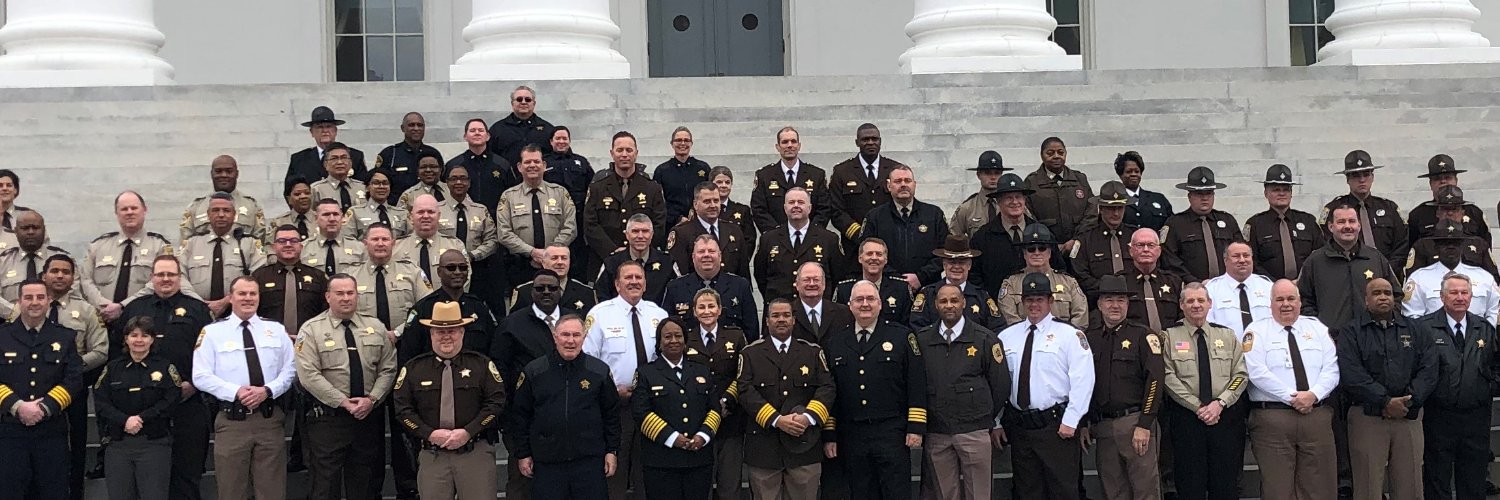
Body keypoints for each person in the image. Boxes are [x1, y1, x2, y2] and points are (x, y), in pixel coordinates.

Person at [116, 255, 214, 500]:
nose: (166, 279)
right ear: (152, 278)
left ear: (180, 278)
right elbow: (118, 355)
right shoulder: (135, 309)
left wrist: (194, 383)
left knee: (187, 473)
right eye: (160, 274)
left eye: (171, 274)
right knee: (148, 481)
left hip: (187, 402)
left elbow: (211, 353)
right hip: (145, 407)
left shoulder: (197, 309)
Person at [191, 276, 297, 500]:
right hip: (232, 421)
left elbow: (290, 370)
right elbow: (200, 376)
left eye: (252, 293)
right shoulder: (212, 333)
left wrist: (267, 390)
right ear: (231, 298)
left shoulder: (276, 330)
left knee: (272, 492)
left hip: (269, 419)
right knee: (232, 491)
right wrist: (236, 391)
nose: (248, 298)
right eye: (242, 293)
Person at [293, 273, 398, 500]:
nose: (346, 298)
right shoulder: (311, 330)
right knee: (325, 485)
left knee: (365, 484)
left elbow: (388, 369)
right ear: (328, 296)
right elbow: (308, 375)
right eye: (339, 293)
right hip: (328, 419)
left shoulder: (376, 327)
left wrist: (372, 399)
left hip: (367, 417)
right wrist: (342, 402)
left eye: (350, 293)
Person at [822, 280, 926, 500]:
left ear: (880, 304)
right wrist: (830, 432)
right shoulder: (836, 342)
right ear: (849, 305)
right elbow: (831, 393)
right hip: (853, 434)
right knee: (861, 492)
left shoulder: (902, 337)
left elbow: (916, 382)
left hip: (891, 432)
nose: (865, 304)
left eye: (870, 299)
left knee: (896, 493)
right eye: (859, 299)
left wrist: (915, 426)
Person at [996, 272, 1095, 500]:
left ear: (1051, 301)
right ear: (1022, 302)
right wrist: (997, 421)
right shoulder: (1006, 337)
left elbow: (1083, 380)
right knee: (1027, 492)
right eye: (1029, 299)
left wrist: (1071, 420)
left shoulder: (1070, 335)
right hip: (1020, 427)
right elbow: (1000, 383)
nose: (1034, 305)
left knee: (1062, 491)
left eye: (1039, 299)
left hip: (1056, 427)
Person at [393, 301, 507, 500]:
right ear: (431, 334)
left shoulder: (481, 365)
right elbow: (402, 409)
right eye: (440, 331)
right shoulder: (414, 369)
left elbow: (496, 403)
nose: (446, 336)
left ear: (462, 333)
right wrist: (429, 433)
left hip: (474, 452)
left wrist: (468, 431)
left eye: (452, 331)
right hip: (433, 454)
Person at [350, 222, 432, 499]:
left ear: (394, 242)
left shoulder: (411, 273)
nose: (380, 244)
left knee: (405, 428)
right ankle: (370, 491)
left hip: (405, 357)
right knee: (368, 435)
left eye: (385, 239)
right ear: (365, 243)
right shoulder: (352, 276)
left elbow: (424, 308)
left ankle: (408, 488)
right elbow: (346, 311)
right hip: (367, 360)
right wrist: (375, 334)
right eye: (375, 239)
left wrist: (398, 332)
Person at [1338, 277, 1436, 500]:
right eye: (1376, 293)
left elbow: (1429, 369)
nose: (1383, 297)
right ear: (1366, 299)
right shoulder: (1352, 331)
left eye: (1387, 293)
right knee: (1368, 486)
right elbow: (1351, 374)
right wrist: (1384, 401)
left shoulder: (1416, 329)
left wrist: (1409, 400)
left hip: (1408, 416)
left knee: (1410, 485)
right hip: (1368, 417)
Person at [1243, 279, 1341, 499]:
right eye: (1279, 299)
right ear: (1270, 304)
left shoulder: (1316, 328)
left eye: (1291, 299)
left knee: (1320, 487)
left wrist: (1313, 395)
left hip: (1315, 415)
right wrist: (1293, 397)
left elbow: (1332, 368)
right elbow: (1256, 371)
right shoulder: (1256, 331)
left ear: (1299, 302)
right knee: (1277, 489)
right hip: (1273, 418)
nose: (1286, 304)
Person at [584, 260, 670, 500]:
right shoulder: (599, 314)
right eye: (628, 277)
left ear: (645, 283)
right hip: (615, 406)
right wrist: (611, 391)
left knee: (649, 471)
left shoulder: (658, 314)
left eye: (638, 277)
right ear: (617, 284)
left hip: (653, 406)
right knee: (615, 471)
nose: (634, 282)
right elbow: (589, 362)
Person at [510, 314, 620, 500]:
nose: (570, 341)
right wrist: (523, 453)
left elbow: (611, 414)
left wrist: (612, 450)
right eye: (565, 335)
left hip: (589, 462)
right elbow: (521, 415)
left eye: (576, 335)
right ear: (555, 337)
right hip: (547, 463)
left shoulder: (599, 371)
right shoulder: (534, 371)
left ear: (584, 337)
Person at [915, 283, 1008, 500]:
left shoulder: (985, 338)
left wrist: (983, 415)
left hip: (974, 430)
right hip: (938, 432)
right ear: (935, 305)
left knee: (979, 495)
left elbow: (1000, 384)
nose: (949, 305)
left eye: (954, 300)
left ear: (964, 303)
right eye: (943, 301)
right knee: (945, 494)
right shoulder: (922, 340)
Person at [735, 298, 835, 500]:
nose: (781, 319)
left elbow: (827, 387)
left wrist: (808, 417)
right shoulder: (750, 353)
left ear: (794, 320)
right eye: (775, 315)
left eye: (786, 315)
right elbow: (744, 391)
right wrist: (777, 420)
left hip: (804, 444)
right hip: (764, 448)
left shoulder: (812, 352)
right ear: (767, 321)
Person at [1160, 283, 1249, 500]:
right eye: (1190, 301)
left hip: (1224, 418)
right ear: (1181, 305)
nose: (1196, 305)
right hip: (1187, 420)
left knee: (1226, 485)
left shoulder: (1227, 336)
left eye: (1201, 300)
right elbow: (1168, 377)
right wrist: (1198, 407)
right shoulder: (1169, 337)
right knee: (1190, 485)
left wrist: (1220, 403)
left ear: (1210, 304)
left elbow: (1240, 375)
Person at [492, 269, 575, 500]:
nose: (546, 292)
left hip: (568, 417)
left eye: (552, 288)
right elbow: (499, 370)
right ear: (531, 292)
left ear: (560, 291)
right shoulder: (512, 324)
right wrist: (506, 415)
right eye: (540, 288)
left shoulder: (573, 321)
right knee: (521, 482)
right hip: (524, 418)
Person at [0, 279, 84, 500]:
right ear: (19, 301)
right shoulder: (2, 336)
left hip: (50, 432)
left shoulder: (65, 336)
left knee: (54, 492)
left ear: (49, 300)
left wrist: (45, 407)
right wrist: (17, 406)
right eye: (28, 297)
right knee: (9, 492)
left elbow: (74, 379)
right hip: (9, 431)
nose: (34, 302)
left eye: (40, 297)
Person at [1083, 275, 1164, 500]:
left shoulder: (1143, 336)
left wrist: (1145, 423)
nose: (1115, 305)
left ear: (1128, 304)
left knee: (1145, 490)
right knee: (1113, 491)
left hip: (1134, 423)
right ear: (1099, 304)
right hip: (1103, 426)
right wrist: (1084, 422)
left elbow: (1155, 380)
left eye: (1120, 300)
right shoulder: (1090, 339)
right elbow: (1083, 384)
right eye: (1109, 300)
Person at [1420, 272, 1500, 500]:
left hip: (1476, 416)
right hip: (1438, 416)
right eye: (1453, 292)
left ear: (1471, 297)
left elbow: (1496, 364)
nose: (1460, 297)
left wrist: (1487, 388)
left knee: (1473, 479)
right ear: (1442, 297)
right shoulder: (1424, 328)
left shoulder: (1483, 328)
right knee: (1437, 478)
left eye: (1464, 293)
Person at [41, 255, 108, 500]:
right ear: (44, 275)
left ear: (73, 278)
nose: (60, 276)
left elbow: (101, 350)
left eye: (66, 272)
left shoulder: (87, 310)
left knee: (75, 447)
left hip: (72, 390)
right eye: (54, 271)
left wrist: (71, 368)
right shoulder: (30, 306)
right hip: (34, 389)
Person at [632, 317, 719, 500]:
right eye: (667, 336)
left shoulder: (701, 371)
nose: (673, 341)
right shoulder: (646, 373)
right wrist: (673, 438)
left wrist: (702, 436)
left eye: (678, 336)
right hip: (661, 461)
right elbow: (641, 412)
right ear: (659, 342)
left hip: (698, 459)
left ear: (685, 340)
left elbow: (714, 409)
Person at [94, 316, 178, 500]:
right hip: (118, 445)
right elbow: (101, 402)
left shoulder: (165, 367)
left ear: (152, 339)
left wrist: (142, 418)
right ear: (126, 339)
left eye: (145, 335)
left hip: (154, 444)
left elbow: (171, 400)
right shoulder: (113, 368)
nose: (139, 340)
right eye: (134, 335)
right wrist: (124, 420)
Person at [682, 288, 749, 500]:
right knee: (701, 485)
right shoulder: (686, 338)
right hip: (698, 421)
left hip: (730, 420)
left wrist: (727, 400)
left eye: (711, 306)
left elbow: (743, 374)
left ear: (720, 309)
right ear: (694, 311)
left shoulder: (736, 336)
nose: (707, 311)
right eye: (701, 307)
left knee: (730, 484)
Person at [83, 191, 185, 321]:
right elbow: (85, 280)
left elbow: (159, 282)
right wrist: (103, 305)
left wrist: (123, 306)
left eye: (134, 208)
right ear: (116, 213)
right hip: (102, 318)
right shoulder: (98, 246)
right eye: (124, 209)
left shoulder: (160, 246)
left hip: (143, 320)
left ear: (144, 211)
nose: (129, 212)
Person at [1300, 204, 1397, 331]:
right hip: (1331, 338)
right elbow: (1303, 301)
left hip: (1372, 336)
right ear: (1331, 226)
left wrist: (1385, 324)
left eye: (1352, 221)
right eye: (1341, 222)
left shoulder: (1376, 258)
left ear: (1359, 225)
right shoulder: (1315, 261)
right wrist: (1319, 329)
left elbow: (1397, 295)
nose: (1347, 226)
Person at [498, 144, 578, 291]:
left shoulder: (560, 193)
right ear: (519, 167)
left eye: (536, 161)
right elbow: (504, 233)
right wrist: (532, 252)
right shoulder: (508, 197)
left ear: (544, 165)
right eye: (527, 162)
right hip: (521, 266)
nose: (532, 165)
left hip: (556, 264)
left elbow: (570, 227)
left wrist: (550, 254)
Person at [855, 165, 947, 288]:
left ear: (914, 184)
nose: (903, 185)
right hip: (887, 287)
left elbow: (944, 252)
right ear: (889, 186)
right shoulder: (875, 217)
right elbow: (866, 252)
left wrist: (921, 277)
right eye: (898, 181)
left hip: (928, 287)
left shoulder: (934, 215)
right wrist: (897, 279)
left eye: (907, 181)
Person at [177, 193, 266, 318]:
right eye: (215, 210)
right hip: (195, 312)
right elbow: (179, 276)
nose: (221, 215)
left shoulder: (249, 243)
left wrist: (227, 300)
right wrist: (199, 303)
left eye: (226, 210)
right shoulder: (191, 244)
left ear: (234, 215)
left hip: (237, 313)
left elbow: (259, 275)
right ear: (208, 215)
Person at [1322, 150, 1408, 278]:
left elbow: (1401, 246)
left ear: (1372, 177)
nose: (1362, 180)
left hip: (1387, 276)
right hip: (1349, 275)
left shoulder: (1389, 208)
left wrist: (1385, 270)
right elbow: (1329, 246)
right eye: (1356, 175)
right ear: (1347, 179)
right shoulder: (1334, 210)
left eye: (1366, 174)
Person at [402, 250, 500, 361]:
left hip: (474, 370)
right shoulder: (423, 309)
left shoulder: (479, 307)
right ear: (439, 272)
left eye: (463, 268)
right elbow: (408, 354)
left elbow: (494, 348)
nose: (458, 272)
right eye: (451, 268)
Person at [583, 131, 668, 258]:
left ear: (636, 153)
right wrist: (613, 251)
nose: (624, 154)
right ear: (612, 153)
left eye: (629, 150)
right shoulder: (597, 188)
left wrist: (636, 251)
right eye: (619, 150)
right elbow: (590, 225)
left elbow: (659, 225)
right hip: (605, 258)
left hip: (641, 258)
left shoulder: (652, 188)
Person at [752, 188, 844, 302]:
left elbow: (837, 276)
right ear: (785, 208)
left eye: (801, 202)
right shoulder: (768, 239)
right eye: (791, 202)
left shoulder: (829, 239)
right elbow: (760, 276)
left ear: (809, 208)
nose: (796, 206)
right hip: (780, 309)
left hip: (815, 307)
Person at [661, 235, 759, 340]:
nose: (706, 255)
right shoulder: (675, 288)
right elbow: (667, 329)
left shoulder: (740, 286)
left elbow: (751, 331)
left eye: (711, 251)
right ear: (693, 257)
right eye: (701, 251)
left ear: (720, 256)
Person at [1403, 218, 1500, 324]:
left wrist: (1484, 332)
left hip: (1478, 333)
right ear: (1436, 246)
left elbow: (1494, 311)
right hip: (1431, 333)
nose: (1451, 247)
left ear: (1462, 245)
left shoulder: (1484, 277)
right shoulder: (1418, 279)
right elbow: (1412, 316)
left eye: (1455, 243)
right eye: (1445, 243)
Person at [829, 123, 907, 253]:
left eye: (874, 139)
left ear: (880, 141)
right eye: (865, 139)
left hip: (890, 242)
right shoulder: (842, 171)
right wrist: (860, 234)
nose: (870, 142)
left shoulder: (894, 169)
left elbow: (904, 202)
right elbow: (836, 211)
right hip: (854, 245)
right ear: (857, 142)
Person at [1161, 166, 1242, 283]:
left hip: (1228, 285)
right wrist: (1193, 282)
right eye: (1199, 194)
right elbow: (1170, 260)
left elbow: (1240, 252)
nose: (1204, 198)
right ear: (1189, 196)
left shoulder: (1228, 221)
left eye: (1209, 193)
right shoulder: (1176, 224)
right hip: (1190, 288)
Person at [1243, 164, 1324, 281]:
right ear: (1266, 193)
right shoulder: (1255, 224)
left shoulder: (1308, 221)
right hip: (1268, 286)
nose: (1282, 193)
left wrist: (1303, 280)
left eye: (1286, 189)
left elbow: (1319, 254)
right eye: (1276, 190)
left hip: (1306, 285)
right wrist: (1275, 284)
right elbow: (1252, 261)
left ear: (1291, 193)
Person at [997, 223, 1087, 327]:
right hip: (1024, 336)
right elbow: (1009, 318)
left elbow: (1080, 315)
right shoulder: (1011, 283)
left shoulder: (1068, 281)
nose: (1036, 253)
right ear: (1024, 253)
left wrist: (1064, 335)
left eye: (1042, 248)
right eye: (1031, 249)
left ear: (1049, 252)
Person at [971, 173, 1048, 294]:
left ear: (1025, 200)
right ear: (998, 201)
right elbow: (974, 276)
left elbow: (1057, 268)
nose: (1015, 202)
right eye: (1008, 197)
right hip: (996, 302)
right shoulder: (982, 238)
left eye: (1018, 197)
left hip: (1037, 301)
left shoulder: (1043, 233)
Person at [910, 235, 1005, 331]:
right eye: (952, 262)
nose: (956, 266)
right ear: (944, 265)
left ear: (969, 265)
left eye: (961, 262)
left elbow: (997, 329)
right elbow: (917, 328)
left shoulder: (982, 297)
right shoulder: (928, 294)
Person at [750, 127, 833, 234]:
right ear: (777, 147)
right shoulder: (764, 176)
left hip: (810, 238)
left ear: (799, 146)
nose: (789, 145)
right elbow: (759, 210)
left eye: (793, 141)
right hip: (775, 239)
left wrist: (809, 233)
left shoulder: (816, 175)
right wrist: (776, 235)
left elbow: (824, 208)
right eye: (785, 142)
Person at [253, 224, 330, 336]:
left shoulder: (318, 277)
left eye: (293, 241)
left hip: (309, 340)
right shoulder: (259, 277)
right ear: (274, 247)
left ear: (301, 246)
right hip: (269, 339)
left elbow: (326, 314)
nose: (288, 245)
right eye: (282, 241)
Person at [1406, 185, 1497, 277]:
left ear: (1462, 213)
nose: (1450, 213)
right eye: (1445, 209)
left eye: (1454, 209)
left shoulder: (1479, 244)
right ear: (1437, 213)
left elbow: (1492, 277)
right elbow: (1413, 277)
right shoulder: (1422, 245)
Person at [1023, 137, 1096, 252]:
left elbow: (1091, 213)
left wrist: (1076, 240)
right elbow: (1029, 216)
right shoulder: (1031, 183)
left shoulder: (1080, 179)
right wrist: (1050, 243)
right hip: (1046, 249)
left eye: (1060, 152)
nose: (1056, 156)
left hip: (1079, 247)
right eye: (1050, 153)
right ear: (1041, 155)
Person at [544, 126, 597, 283]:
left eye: (564, 138)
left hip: (579, 218)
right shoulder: (544, 162)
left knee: (579, 257)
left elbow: (592, 186)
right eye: (558, 138)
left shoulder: (581, 162)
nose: (561, 141)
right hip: (554, 217)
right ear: (551, 141)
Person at [666, 182, 750, 279]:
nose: (713, 205)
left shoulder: (734, 230)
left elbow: (743, 273)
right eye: (707, 201)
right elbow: (680, 276)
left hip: (731, 287)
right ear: (695, 204)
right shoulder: (681, 233)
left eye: (716, 201)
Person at [1072, 180, 1137, 303]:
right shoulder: (1085, 239)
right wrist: (1107, 289)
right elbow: (1080, 275)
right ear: (1101, 209)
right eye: (1111, 208)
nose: (1116, 213)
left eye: (1120, 208)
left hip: (1135, 299)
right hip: (1098, 301)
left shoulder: (1136, 236)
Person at [0, 210, 70, 318]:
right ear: (16, 231)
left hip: (56, 320)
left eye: (35, 228)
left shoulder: (63, 261)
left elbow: (73, 294)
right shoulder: (3, 261)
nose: (30, 232)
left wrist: (43, 315)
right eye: (25, 228)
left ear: (44, 230)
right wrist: (15, 313)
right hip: (10, 322)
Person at [181, 155, 267, 241]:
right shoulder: (196, 207)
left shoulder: (252, 206)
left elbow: (259, 242)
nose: (224, 175)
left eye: (229, 171)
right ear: (212, 174)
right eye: (218, 171)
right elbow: (186, 242)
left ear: (237, 174)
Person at [284, 106, 368, 193]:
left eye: (329, 126)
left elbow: (364, 187)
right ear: (311, 132)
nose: (325, 131)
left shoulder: (354, 156)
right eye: (319, 127)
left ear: (335, 130)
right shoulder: (299, 159)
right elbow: (289, 191)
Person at [1411, 153, 1489, 247]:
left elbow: (1486, 248)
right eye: (1437, 179)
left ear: (1456, 180)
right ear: (1430, 184)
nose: (1443, 181)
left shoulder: (1475, 213)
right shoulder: (1418, 215)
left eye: (1448, 177)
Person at [832, 238, 912, 327]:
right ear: (860, 258)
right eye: (869, 254)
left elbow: (907, 325)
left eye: (879, 254)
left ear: (885, 260)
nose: (874, 258)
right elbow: (838, 324)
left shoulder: (901, 289)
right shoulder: (844, 290)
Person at [1202, 241, 1274, 339]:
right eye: (1236, 256)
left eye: (1246, 256)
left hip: (1264, 345)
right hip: (1226, 346)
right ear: (1225, 261)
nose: (1242, 260)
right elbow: (1207, 325)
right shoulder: (1212, 289)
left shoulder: (1268, 287)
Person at [395, 194, 469, 288]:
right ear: (411, 217)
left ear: (439, 216)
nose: (426, 216)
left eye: (431, 212)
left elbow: (465, 280)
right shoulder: (396, 248)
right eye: (420, 212)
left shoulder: (455, 246)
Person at [447, 117, 521, 211]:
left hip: (496, 216)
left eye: (481, 130)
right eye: (472, 130)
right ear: (465, 136)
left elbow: (512, 193)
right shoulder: (453, 165)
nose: (477, 133)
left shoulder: (503, 164)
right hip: (464, 215)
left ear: (488, 136)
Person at [597, 214, 674, 303]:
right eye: (635, 231)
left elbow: (676, 294)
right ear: (627, 235)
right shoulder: (611, 263)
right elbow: (601, 295)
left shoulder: (667, 262)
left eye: (645, 231)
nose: (640, 236)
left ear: (652, 234)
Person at [1121, 228, 1185, 332]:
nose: (1146, 250)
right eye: (1140, 245)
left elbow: (1183, 317)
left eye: (1151, 245)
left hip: (1171, 339)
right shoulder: (1121, 282)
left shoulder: (1174, 281)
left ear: (1159, 251)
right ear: (1131, 251)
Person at [508, 244, 599, 314]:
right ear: (543, 262)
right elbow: (515, 323)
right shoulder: (524, 291)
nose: (560, 262)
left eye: (564, 258)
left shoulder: (586, 292)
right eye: (554, 258)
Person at [376, 111, 444, 197]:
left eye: (420, 125)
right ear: (402, 128)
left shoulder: (433, 153)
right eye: (411, 125)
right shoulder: (390, 154)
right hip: (398, 203)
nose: (416, 128)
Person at [655, 126, 713, 225]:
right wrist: (677, 218)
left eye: (686, 140)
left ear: (691, 143)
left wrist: (697, 212)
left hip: (701, 222)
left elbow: (711, 194)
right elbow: (658, 202)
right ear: (672, 144)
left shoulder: (703, 168)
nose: (682, 143)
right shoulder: (662, 171)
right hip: (672, 224)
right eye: (678, 140)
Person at [948, 150, 1011, 239]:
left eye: (997, 173)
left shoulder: (1013, 205)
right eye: (988, 173)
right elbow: (954, 238)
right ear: (978, 175)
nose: (993, 177)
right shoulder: (967, 208)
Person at [489, 85, 556, 166]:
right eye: (519, 99)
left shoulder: (548, 130)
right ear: (512, 103)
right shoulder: (497, 130)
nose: (523, 102)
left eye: (528, 99)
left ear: (534, 103)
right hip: (507, 174)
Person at [790, 262, 852, 345]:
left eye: (816, 280)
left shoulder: (843, 313)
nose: (812, 284)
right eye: (806, 280)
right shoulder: (788, 313)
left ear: (824, 284)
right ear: (797, 285)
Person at [303, 198, 368, 276]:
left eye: (336, 214)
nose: (332, 219)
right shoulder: (303, 249)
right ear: (316, 218)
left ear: (342, 218)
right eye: (326, 214)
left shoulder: (359, 248)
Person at [344, 167, 413, 239]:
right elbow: (348, 239)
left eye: (385, 183)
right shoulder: (355, 213)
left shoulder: (402, 214)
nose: (381, 186)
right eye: (376, 183)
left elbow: (412, 239)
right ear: (367, 187)